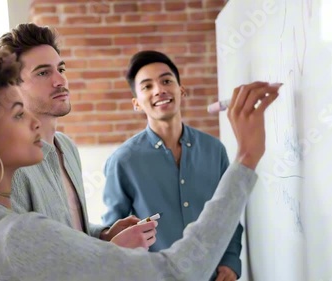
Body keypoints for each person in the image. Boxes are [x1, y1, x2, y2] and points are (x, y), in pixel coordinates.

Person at [0, 37, 281, 281]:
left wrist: (101, 241)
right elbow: (176, 272)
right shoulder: (18, 234)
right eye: (18, 113)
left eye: (60, 68)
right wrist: (247, 157)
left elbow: (61, 249)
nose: (34, 124)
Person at [0, 23, 145, 247]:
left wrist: (103, 235)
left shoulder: (67, 147)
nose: (60, 81)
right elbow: (23, 257)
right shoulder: (9, 163)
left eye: (61, 69)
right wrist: (109, 253)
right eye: (44, 73)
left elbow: (68, 229)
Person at [102, 50, 242, 280]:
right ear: (137, 103)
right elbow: (113, 234)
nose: (159, 90)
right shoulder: (123, 161)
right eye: (147, 86)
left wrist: (230, 262)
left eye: (166, 81)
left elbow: (230, 214)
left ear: (181, 90)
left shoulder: (214, 150)